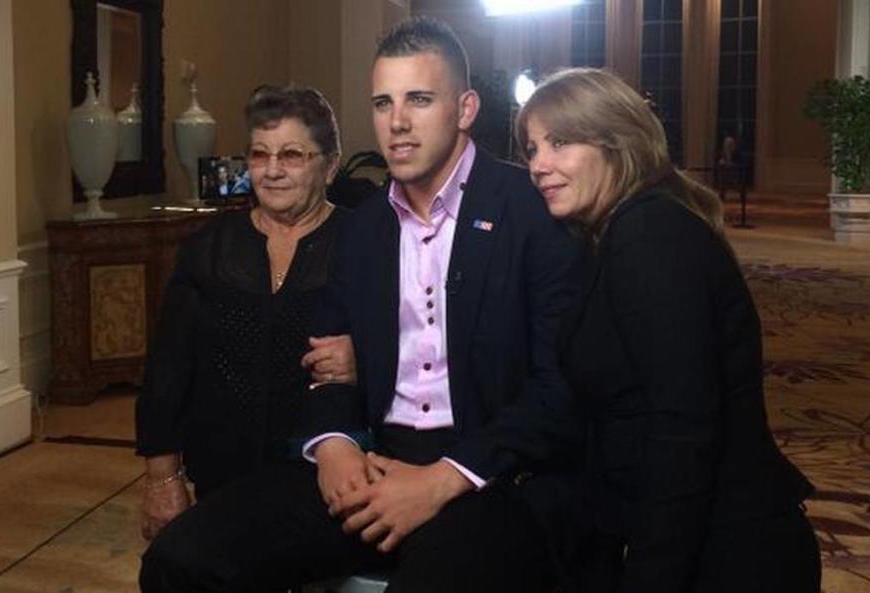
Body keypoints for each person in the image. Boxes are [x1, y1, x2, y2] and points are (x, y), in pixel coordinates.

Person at [139, 16, 580, 593]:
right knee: (180, 559)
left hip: (489, 474)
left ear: (464, 108)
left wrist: (445, 478)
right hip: (374, 458)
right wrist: (335, 448)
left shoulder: (530, 209)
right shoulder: (364, 227)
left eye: (419, 99)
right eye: (382, 102)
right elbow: (327, 366)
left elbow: (561, 385)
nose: (397, 122)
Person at [510, 68, 820, 592]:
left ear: (618, 143)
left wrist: (650, 577)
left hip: (728, 551)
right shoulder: (609, 233)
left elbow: (684, 428)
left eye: (559, 143)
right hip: (678, 530)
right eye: (532, 148)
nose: (539, 165)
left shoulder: (650, 237)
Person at [135, 84, 352, 541]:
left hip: (323, 480)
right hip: (220, 476)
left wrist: (363, 355)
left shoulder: (365, 243)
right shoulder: (208, 248)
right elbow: (167, 372)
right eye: (259, 154)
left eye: (292, 155)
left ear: (329, 165)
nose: (272, 171)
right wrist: (162, 479)